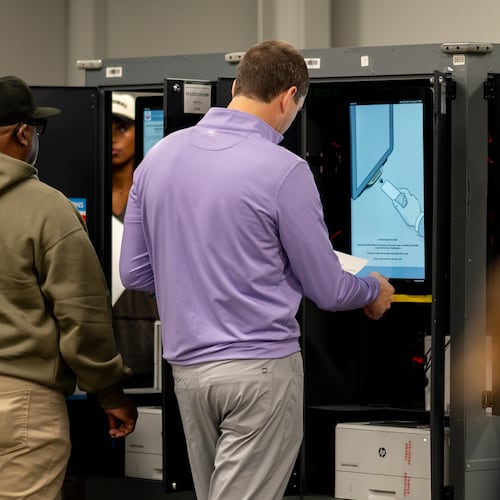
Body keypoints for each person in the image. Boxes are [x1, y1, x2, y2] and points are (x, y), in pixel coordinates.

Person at [119, 40, 394, 500]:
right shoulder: (284, 169)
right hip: (260, 372)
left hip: (188, 372)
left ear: (235, 87)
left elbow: (134, 273)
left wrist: (193, 282)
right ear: (288, 97)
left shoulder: (159, 158)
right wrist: (371, 289)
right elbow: (326, 288)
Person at [0, 75, 138, 500]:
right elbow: (83, 314)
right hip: (20, 404)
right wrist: (109, 392)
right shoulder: (46, 209)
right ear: (24, 133)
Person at [111, 93, 160, 389]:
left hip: (149, 345)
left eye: (122, 129)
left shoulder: (153, 197)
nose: (114, 139)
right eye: (110, 128)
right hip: (105, 346)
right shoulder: (87, 197)